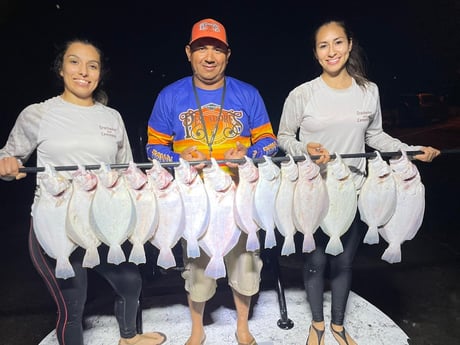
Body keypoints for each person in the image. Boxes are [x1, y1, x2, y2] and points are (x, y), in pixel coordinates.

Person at [277, 19, 440, 345]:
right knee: (315, 261)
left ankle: (338, 326)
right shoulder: (303, 94)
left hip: (353, 191)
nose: (331, 51)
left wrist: (412, 150)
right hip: (313, 190)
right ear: (315, 53)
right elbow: (283, 137)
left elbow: (375, 136)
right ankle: (318, 325)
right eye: (323, 45)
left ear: (349, 45)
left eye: (338, 42)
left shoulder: (369, 91)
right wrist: (305, 148)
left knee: (344, 262)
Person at [0, 39, 167, 345]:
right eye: (74, 62)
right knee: (73, 304)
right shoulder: (37, 114)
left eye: (93, 66)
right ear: (61, 69)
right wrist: (7, 165)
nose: (84, 72)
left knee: (131, 283)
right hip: (56, 224)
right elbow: (7, 159)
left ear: (100, 74)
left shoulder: (111, 117)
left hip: (103, 221)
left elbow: (124, 170)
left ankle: (128, 338)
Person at [146, 18, 278, 345]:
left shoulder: (248, 93)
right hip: (192, 197)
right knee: (196, 268)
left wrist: (248, 154)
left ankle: (242, 327)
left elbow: (270, 142)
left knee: (246, 265)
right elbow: (153, 147)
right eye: (202, 48)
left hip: (240, 195)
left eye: (217, 49)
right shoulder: (169, 95)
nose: (209, 56)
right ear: (188, 53)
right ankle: (197, 328)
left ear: (228, 55)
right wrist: (179, 159)